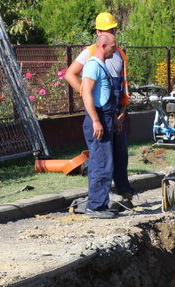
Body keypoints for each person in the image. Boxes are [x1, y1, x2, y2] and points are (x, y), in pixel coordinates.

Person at [64, 12, 133, 210]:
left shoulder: (118, 53)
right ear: (98, 33)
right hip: (102, 112)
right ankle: (98, 203)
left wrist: (121, 109)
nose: (111, 33)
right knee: (102, 160)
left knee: (119, 154)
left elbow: (123, 84)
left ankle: (123, 193)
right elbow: (70, 74)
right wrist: (88, 95)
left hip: (113, 112)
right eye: (107, 30)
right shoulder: (91, 54)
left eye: (113, 29)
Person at [75, 32, 119, 219]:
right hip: (99, 118)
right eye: (113, 47)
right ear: (103, 46)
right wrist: (96, 120)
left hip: (106, 116)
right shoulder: (93, 66)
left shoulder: (100, 65)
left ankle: (100, 204)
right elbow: (86, 94)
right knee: (101, 163)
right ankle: (95, 206)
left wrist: (114, 118)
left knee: (103, 162)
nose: (115, 50)